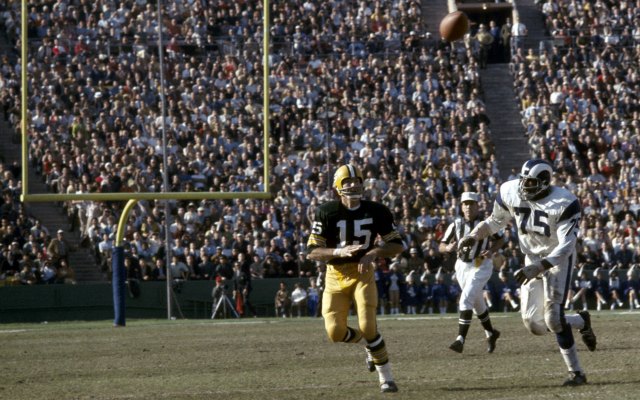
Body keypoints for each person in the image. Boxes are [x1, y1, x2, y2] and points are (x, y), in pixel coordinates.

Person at [457, 159, 597, 386]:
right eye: (522, 180)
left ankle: (576, 372)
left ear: (543, 182)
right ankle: (580, 320)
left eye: (530, 182)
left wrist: (541, 266)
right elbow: (495, 222)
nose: (523, 186)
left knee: (553, 318)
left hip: (556, 259)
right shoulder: (510, 190)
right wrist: (474, 235)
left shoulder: (565, 202)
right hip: (530, 257)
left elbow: (567, 246)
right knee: (534, 324)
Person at [307, 164, 404, 393]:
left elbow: (397, 245)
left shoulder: (377, 210)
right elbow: (312, 251)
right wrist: (339, 252)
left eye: (356, 180)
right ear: (338, 187)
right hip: (335, 275)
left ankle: (386, 378)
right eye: (347, 181)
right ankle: (368, 346)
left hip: (362, 274)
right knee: (335, 332)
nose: (353, 184)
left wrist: (373, 253)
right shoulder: (326, 212)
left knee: (369, 326)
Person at [440, 191, 504, 354]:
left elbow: (501, 239)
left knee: (465, 300)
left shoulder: (485, 224)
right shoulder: (455, 224)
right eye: (465, 204)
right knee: (477, 303)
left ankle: (460, 339)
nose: (468, 207)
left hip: (481, 264)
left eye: (471, 203)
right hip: (462, 265)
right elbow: (441, 245)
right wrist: (447, 248)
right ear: (461, 207)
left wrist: (491, 250)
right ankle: (491, 333)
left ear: (477, 206)